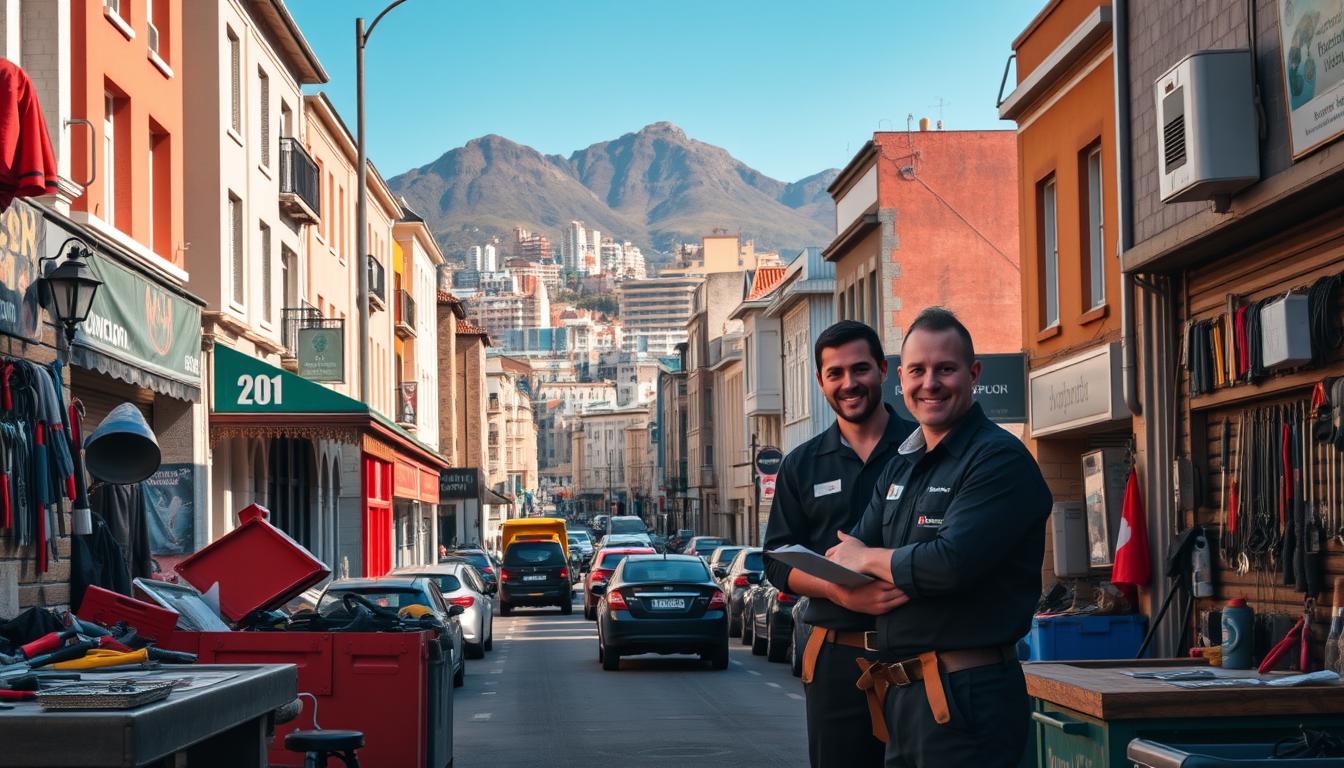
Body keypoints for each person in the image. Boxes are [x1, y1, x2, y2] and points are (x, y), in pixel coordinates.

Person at [827, 307, 1051, 767]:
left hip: (967, 696)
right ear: (901, 379)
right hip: (903, 695)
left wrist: (870, 559)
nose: (930, 383)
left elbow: (947, 565)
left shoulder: (997, 460)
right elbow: (843, 554)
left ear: (973, 375)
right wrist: (880, 561)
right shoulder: (902, 464)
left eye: (945, 369)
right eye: (917, 370)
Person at [763, 320, 916, 768]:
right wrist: (839, 590)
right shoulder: (801, 464)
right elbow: (775, 560)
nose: (849, 383)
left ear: (884, 370)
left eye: (861, 369)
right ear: (820, 381)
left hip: (920, 654)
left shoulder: (922, 451)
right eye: (836, 373)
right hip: (835, 658)